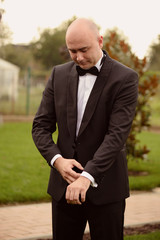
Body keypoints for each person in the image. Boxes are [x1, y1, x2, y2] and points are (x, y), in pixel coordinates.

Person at [32, 18, 138, 240]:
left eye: (83, 50)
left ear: (100, 41)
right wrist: (57, 161)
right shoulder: (58, 75)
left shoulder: (125, 78)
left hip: (106, 189)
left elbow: (116, 136)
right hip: (64, 189)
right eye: (72, 51)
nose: (78, 57)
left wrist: (87, 177)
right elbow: (40, 127)